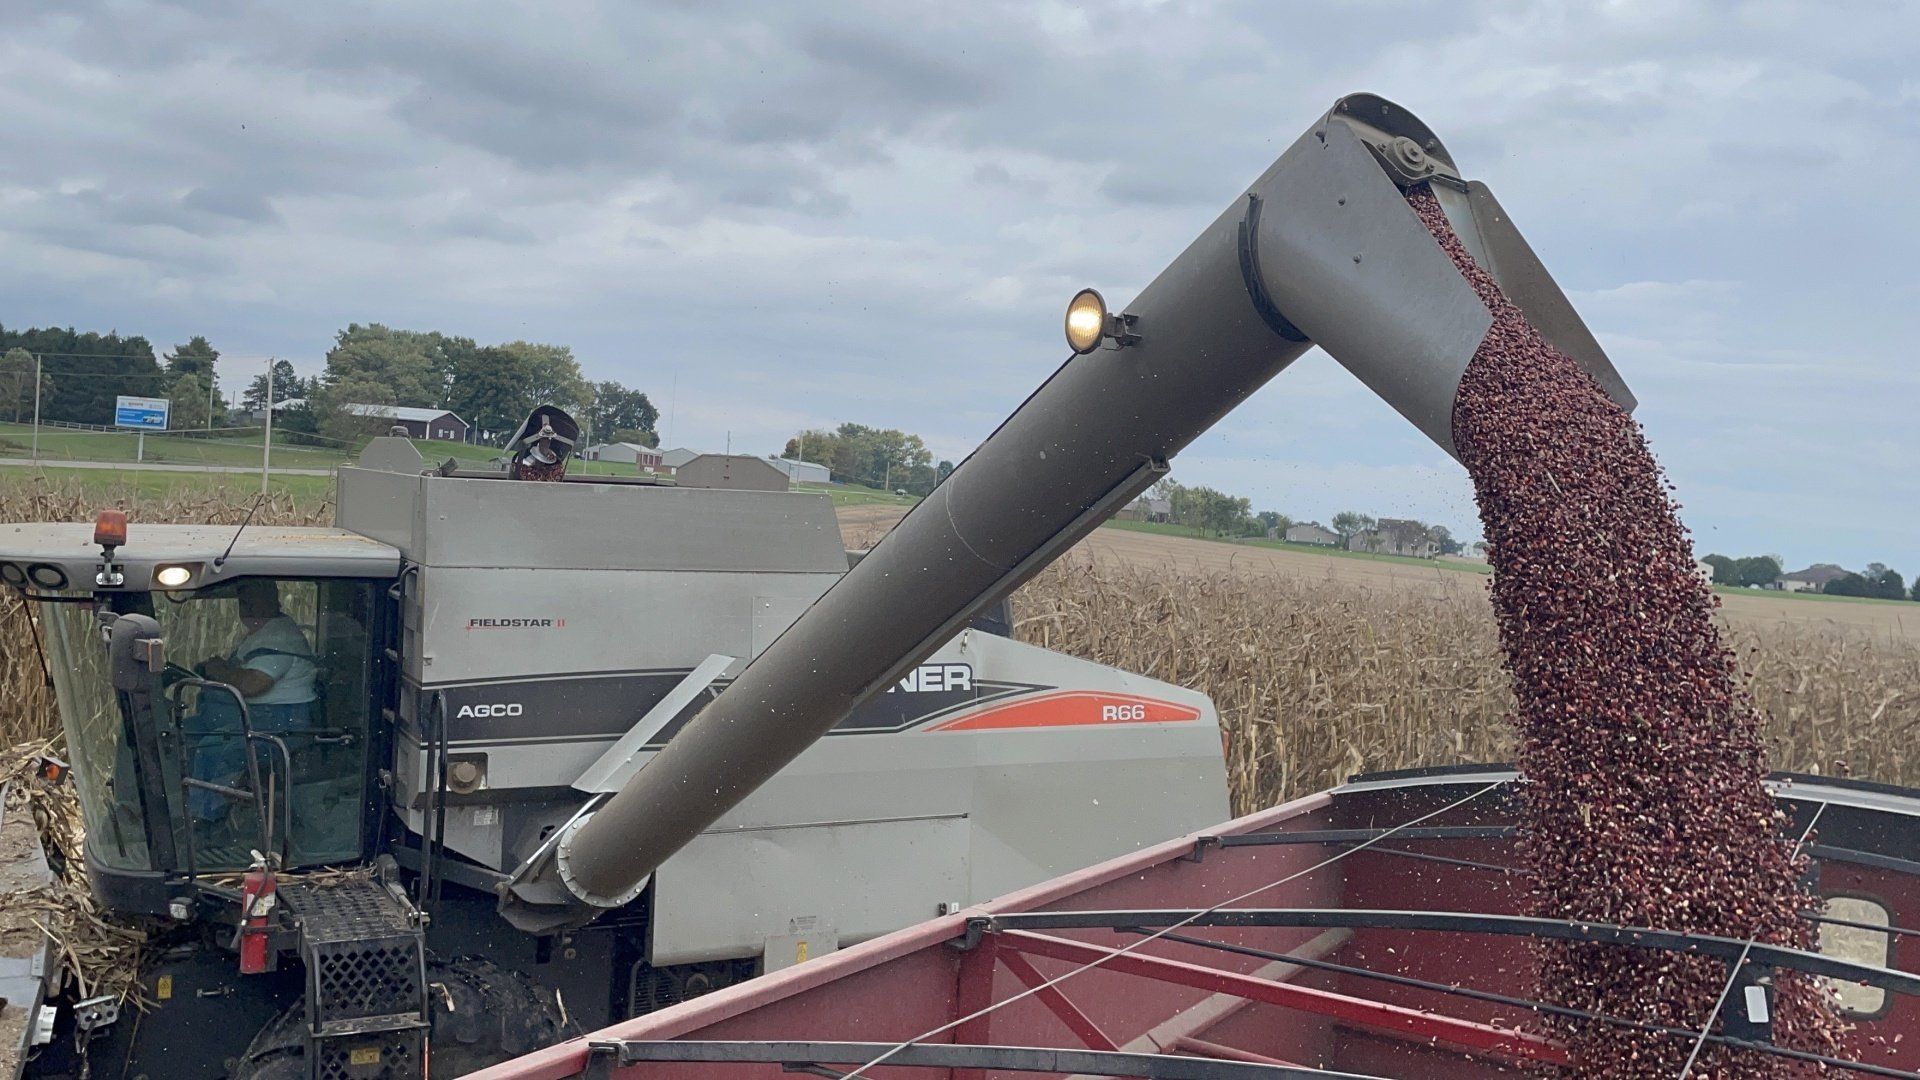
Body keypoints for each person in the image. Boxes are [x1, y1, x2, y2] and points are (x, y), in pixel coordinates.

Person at [188, 580, 319, 825]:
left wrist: (219, 670)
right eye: (243, 601)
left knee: (213, 747)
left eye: (252, 600)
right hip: (257, 715)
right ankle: (177, 805)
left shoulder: (279, 635)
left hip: (282, 722)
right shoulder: (263, 632)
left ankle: (205, 821)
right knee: (185, 732)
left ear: (273, 599)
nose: (246, 607)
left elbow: (254, 683)